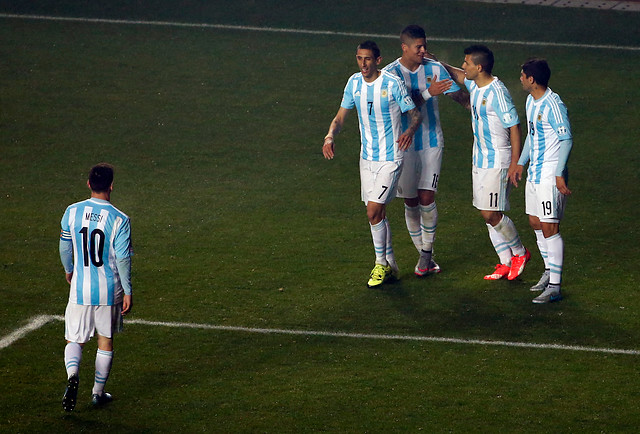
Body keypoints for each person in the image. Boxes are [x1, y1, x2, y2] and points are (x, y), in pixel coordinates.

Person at [323, 40, 422, 288]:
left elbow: (415, 113)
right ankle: (391, 266)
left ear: (378, 60)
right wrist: (329, 136)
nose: (363, 64)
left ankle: (380, 264)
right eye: (359, 58)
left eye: (367, 59)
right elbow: (340, 117)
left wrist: (410, 130)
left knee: (373, 210)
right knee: (376, 214)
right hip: (366, 159)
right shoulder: (354, 83)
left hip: (391, 158)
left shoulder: (392, 83)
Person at [435, 45, 530, 281]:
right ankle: (505, 262)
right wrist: (438, 63)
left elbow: (515, 127)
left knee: (490, 213)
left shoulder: (497, 93)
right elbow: (458, 75)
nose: (463, 66)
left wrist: (516, 163)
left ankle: (520, 253)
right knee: (485, 212)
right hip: (479, 157)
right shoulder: (476, 83)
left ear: (479, 67)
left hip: (497, 159)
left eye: (466, 63)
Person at [383, 25, 470, 277]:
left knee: (426, 197)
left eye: (424, 45)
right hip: (404, 145)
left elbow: (461, 99)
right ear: (405, 47)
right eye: (418, 47)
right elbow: (399, 109)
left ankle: (426, 254)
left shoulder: (434, 69)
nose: (424, 50)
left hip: (432, 142)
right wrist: (427, 93)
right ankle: (425, 256)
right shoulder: (390, 75)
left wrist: (485, 110)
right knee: (410, 201)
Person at [59, 163, 133, 411]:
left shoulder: (72, 211)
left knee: (74, 340)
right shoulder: (120, 219)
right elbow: (122, 258)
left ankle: (72, 375)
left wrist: (69, 269)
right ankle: (97, 394)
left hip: (80, 289)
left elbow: (65, 247)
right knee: (105, 341)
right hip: (109, 291)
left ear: (89, 184)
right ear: (111, 185)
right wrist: (128, 290)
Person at [515, 58, 572, 303]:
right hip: (535, 173)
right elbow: (532, 134)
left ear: (532, 79)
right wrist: (520, 162)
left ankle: (556, 287)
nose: (520, 78)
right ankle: (549, 272)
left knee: (550, 227)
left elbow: (566, 139)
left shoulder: (553, 105)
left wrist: (559, 173)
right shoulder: (531, 101)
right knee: (535, 221)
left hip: (550, 174)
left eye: (522, 74)